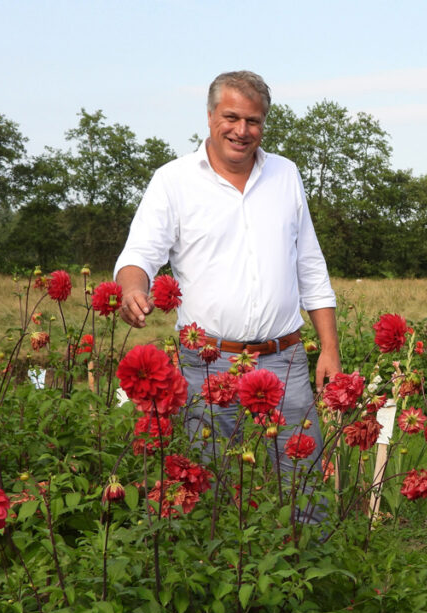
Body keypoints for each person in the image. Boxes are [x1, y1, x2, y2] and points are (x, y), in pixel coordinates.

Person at [114, 71, 340, 509]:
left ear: (264, 124)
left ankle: (306, 569)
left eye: (253, 120)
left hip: (286, 359)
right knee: (209, 486)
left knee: (304, 486)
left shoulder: (285, 174)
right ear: (210, 116)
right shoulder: (173, 180)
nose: (241, 130)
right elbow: (139, 254)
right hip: (208, 364)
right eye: (231, 117)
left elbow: (310, 266)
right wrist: (132, 289)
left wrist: (328, 349)